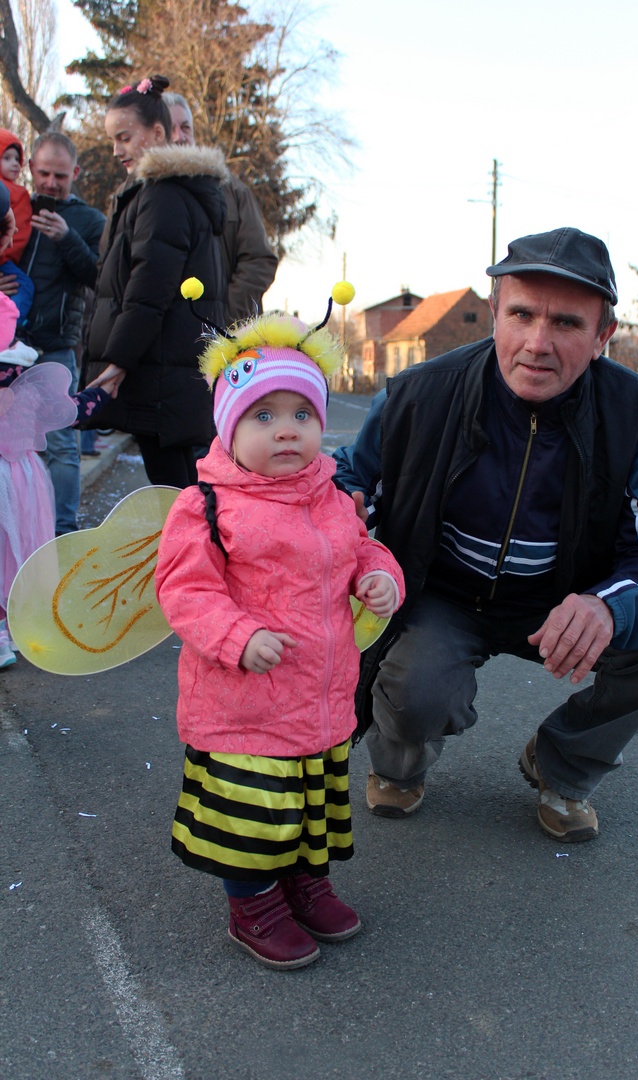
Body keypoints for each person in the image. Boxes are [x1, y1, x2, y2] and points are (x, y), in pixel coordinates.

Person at [333, 226, 638, 843]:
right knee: (417, 687)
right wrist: (340, 505)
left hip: (562, 605)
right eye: (521, 314)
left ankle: (562, 763)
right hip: (445, 597)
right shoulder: (422, 393)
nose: (537, 343)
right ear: (495, 315)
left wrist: (607, 605)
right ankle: (400, 766)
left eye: (565, 323)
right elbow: (354, 475)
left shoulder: (631, 411)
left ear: (601, 337)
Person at [155, 302, 405, 969]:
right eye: (263, 416)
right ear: (229, 429)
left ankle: (302, 880)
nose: (286, 431)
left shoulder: (328, 496)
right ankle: (254, 902)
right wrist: (236, 636)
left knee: (307, 800)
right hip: (244, 701)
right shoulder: (205, 505)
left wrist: (382, 578)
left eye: (302, 415)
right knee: (253, 811)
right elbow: (185, 591)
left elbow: (361, 552)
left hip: (319, 698)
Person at [85, 75, 226, 488]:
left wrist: (118, 361)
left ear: (157, 132)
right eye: (113, 139)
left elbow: (149, 289)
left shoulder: (162, 195)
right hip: (166, 368)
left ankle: (192, 554)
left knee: (177, 494)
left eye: (125, 137)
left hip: (161, 372)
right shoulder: (163, 192)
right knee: (184, 488)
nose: (116, 150)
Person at [2, 132, 106, 535]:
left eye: (60, 176)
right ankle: (21, 529)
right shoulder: (16, 206)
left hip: (57, 346)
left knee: (61, 445)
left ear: (75, 173)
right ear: (31, 170)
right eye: (43, 173)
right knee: (12, 447)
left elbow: (101, 278)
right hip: (11, 347)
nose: (50, 182)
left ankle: (63, 534)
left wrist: (68, 238)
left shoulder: (89, 219)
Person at [0, 291, 109, 667]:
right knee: (19, 550)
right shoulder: (28, 383)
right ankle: (16, 623)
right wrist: (103, 391)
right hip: (22, 481)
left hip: (15, 479)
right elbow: (70, 411)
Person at [165, 92, 278, 323]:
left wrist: (225, 320)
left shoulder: (234, 191)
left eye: (186, 127)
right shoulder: (143, 198)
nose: (180, 137)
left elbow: (259, 261)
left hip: (227, 338)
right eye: (170, 128)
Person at [0, 128, 35, 320]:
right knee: (24, 286)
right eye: (6, 158)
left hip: (8, 256)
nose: (14, 163)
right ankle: (12, 326)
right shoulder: (8, 191)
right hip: (4, 257)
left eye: (16, 158)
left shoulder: (17, 191)